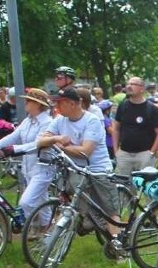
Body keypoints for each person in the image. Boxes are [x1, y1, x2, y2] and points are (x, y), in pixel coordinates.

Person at [37, 87, 119, 238]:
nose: (56, 107)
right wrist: (56, 139)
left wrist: (61, 146)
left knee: (110, 210)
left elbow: (85, 152)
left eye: (60, 103)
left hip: (97, 170)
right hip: (75, 170)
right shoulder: (60, 120)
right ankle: (89, 219)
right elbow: (40, 142)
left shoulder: (91, 121)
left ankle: (118, 247)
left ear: (72, 104)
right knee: (73, 200)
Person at [0, 88, 55, 233]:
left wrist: (14, 149)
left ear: (38, 104)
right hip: (28, 168)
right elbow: (12, 137)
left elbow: (38, 144)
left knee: (26, 202)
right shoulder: (28, 121)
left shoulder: (48, 123)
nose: (25, 102)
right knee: (41, 201)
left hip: (42, 168)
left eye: (29, 100)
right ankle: (47, 233)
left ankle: (38, 227)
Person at [112, 76, 158, 178]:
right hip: (124, 154)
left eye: (133, 84)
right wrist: (116, 150)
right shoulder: (123, 106)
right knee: (124, 188)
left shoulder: (151, 109)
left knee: (144, 189)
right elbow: (116, 128)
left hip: (144, 155)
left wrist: (151, 153)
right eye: (128, 84)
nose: (129, 86)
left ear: (142, 89)